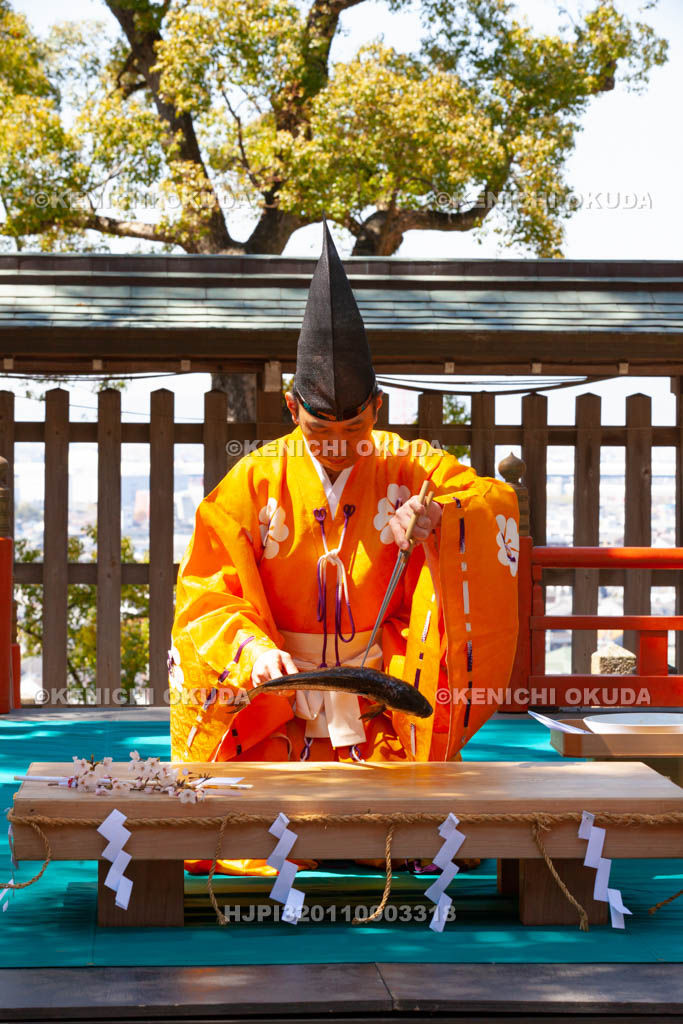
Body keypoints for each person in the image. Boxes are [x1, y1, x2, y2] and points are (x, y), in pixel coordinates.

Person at [169, 219, 520, 875]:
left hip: (377, 695)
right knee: (235, 823)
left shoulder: (410, 467)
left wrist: (439, 513)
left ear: (377, 409)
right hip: (276, 700)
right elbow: (205, 595)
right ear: (290, 405)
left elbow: (488, 501)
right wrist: (252, 651)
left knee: (413, 819)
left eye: (352, 427)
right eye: (318, 425)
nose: (334, 441)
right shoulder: (248, 482)